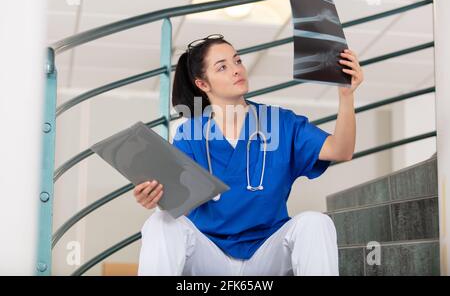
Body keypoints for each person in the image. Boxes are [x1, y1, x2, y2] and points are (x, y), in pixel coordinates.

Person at [134, 34, 364, 276]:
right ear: (203, 84)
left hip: (266, 254)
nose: (236, 70)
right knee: (159, 222)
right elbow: (175, 200)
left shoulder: (280, 122)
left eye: (237, 61)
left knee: (316, 222)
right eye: (222, 67)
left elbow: (341, 150)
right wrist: (154, 197)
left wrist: (346, 95)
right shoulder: (189, 134)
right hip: (211, 257)